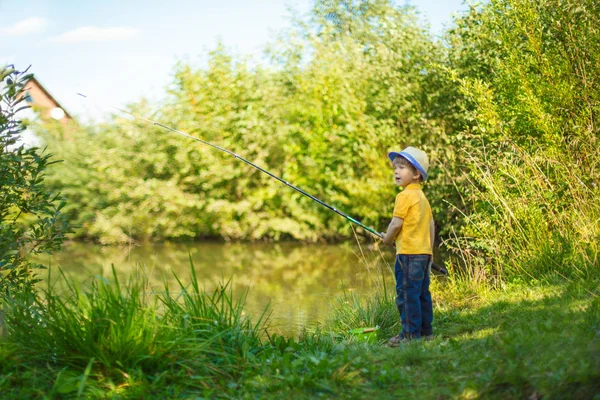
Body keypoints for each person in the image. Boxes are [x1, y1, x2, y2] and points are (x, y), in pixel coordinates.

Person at [381, 146, 434, 346]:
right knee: (421, 294)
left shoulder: (404, 196)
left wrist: (387, 239)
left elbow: (396, 224)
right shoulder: (422, 198)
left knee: (406, 295)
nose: (396, 171)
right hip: (423, 254)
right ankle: (426, 332)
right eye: (396, 167)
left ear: (416, 174)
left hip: (408, 255)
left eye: (402, 167)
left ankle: (410, 335)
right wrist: (430, 251)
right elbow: (430, 225)